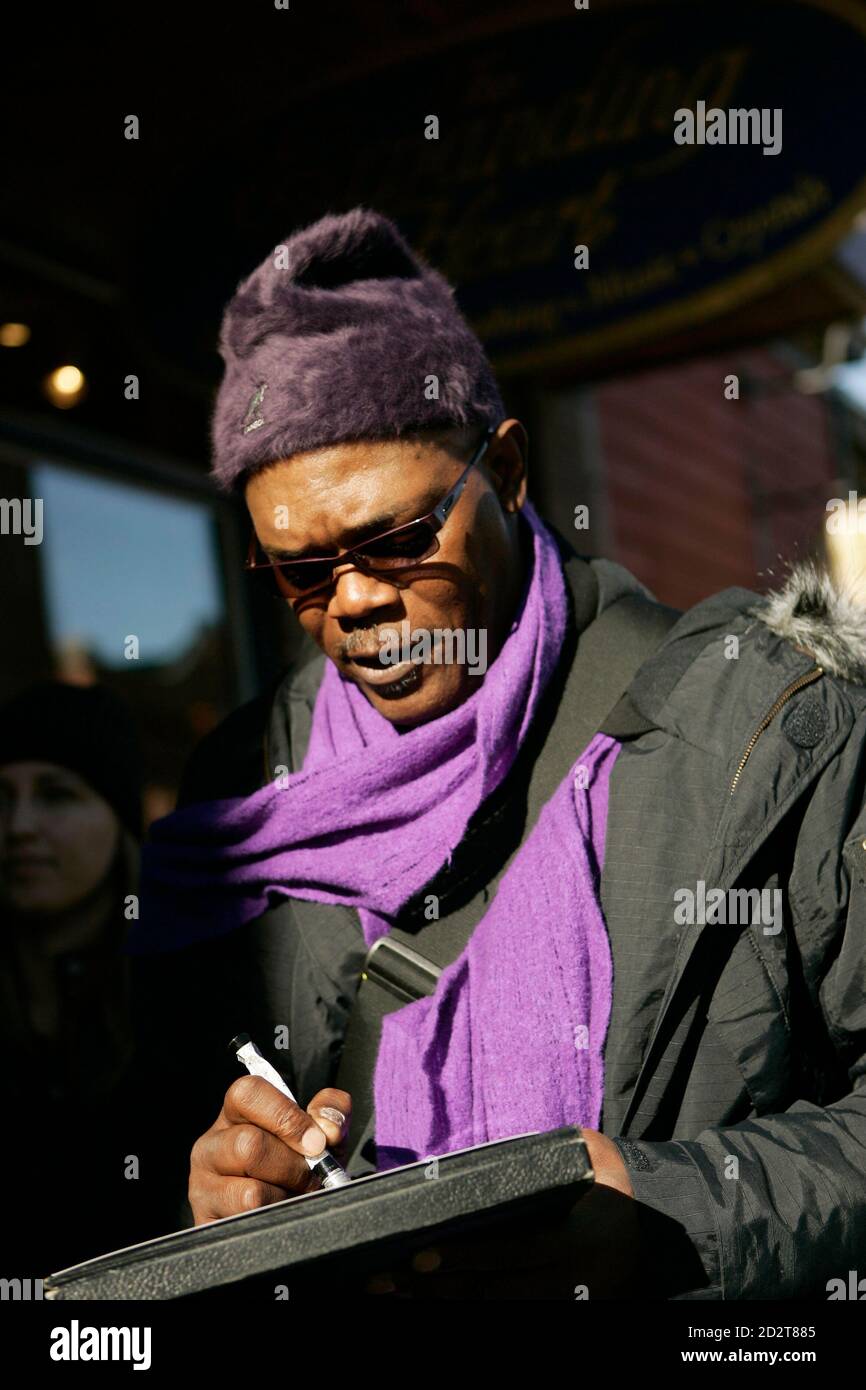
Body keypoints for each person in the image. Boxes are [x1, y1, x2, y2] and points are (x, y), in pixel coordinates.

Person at [128, 207, 866, 1300]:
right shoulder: (243, 791)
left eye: (397, 539)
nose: (357, 601)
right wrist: (225, 1195)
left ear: (510, 473)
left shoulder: (768, 722)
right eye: (300, 569)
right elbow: (176, 1134)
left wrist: (673, 1207)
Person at [0, 681, 150, 1276]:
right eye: (0, 797)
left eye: (57, 795)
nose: (19, 826)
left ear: (119, 821)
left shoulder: (194, 998)